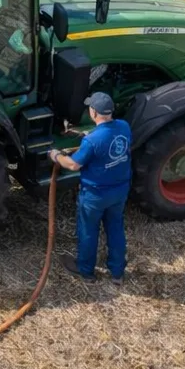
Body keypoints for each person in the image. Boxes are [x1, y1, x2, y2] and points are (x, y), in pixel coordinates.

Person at [48, 91, 131, 281]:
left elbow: (73, 165)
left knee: (88, 231)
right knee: (115, 228)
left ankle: (86, 271)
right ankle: (117, 272)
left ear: (93, 112)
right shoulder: (124, 127)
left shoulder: (92, 141)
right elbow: (109, 139)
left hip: (95, 195)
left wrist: (55, 155)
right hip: (119, 191)